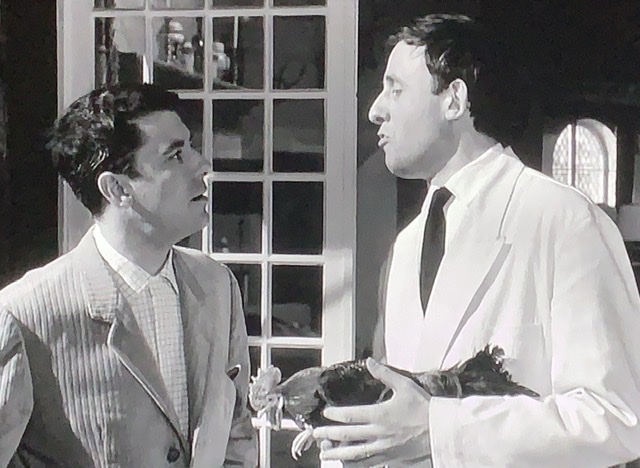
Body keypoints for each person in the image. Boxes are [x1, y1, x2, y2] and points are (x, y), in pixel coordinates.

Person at [313, 14, 640, 467]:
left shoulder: (563, 220)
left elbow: (617, 417)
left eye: (396, 89)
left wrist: (441, 431)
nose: (375, 110)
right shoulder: (406, 246)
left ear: (454, 100)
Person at [0, 83, 258, 467]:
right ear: (118, 188)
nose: (203, 165)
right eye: (175, 155)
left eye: (191, 147)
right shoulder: (24, 316)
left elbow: (237, 436)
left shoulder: (216, 285)